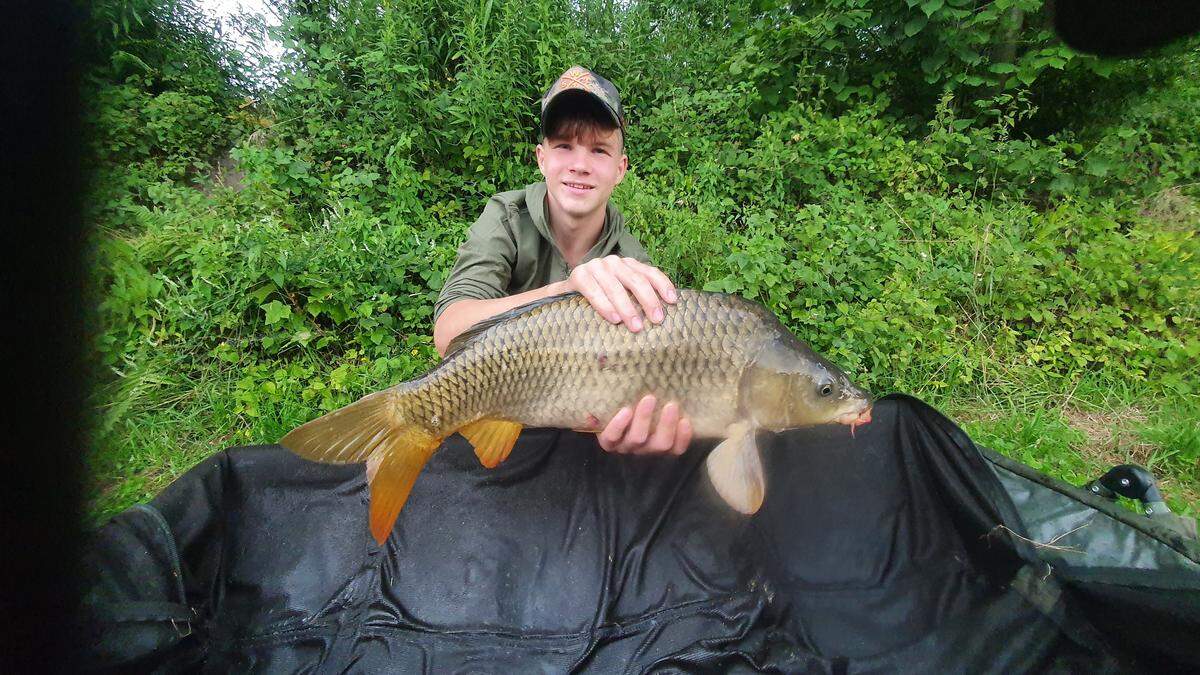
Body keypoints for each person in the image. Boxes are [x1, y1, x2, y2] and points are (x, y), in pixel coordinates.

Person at [432, 66, 692, 456]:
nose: (580, 164)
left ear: (620, 169)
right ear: (541, 158)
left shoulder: (630, 260)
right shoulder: (506, 216)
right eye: (564, 146)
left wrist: (640, 426)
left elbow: (653, 377)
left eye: (599, 150)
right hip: (497, 410)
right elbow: (449, 332)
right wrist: (563, 292)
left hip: (581, 438)